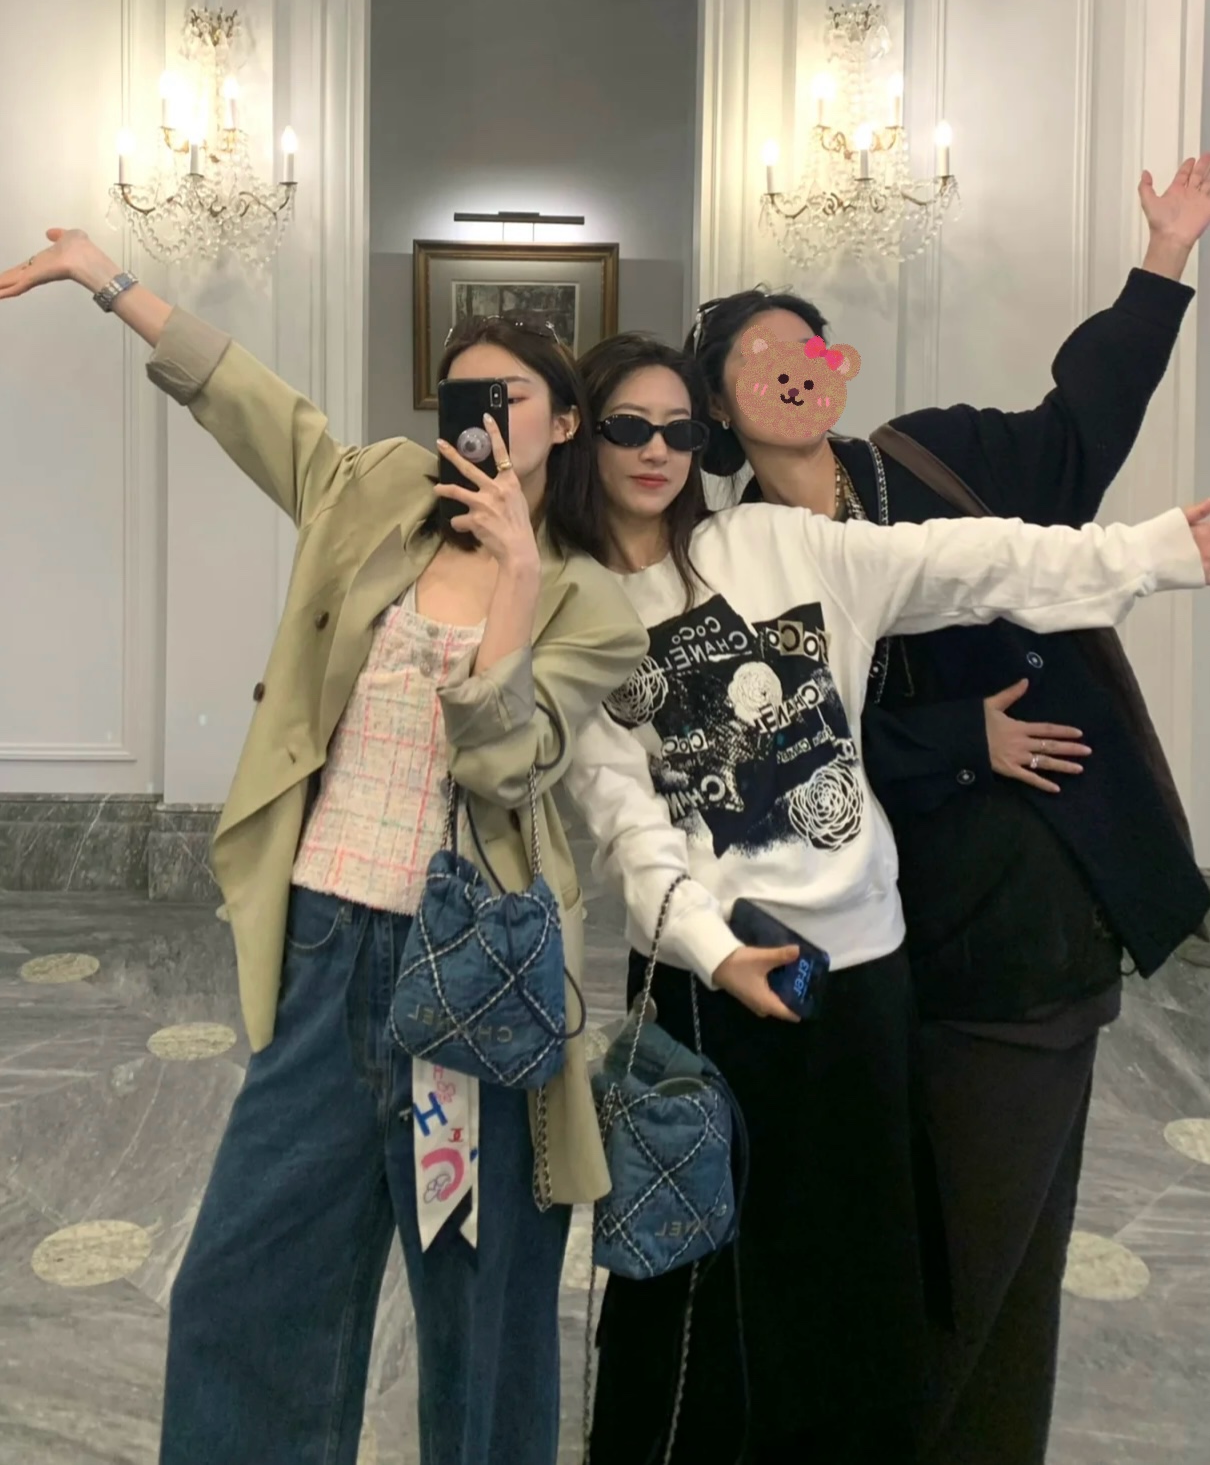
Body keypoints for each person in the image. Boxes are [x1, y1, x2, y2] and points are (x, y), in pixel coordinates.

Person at [0, 226, 648, 1465]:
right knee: (244, 1284)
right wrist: (106, 280)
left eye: (513, 395)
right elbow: (252, 404)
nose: (484, 414)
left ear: (565, 422)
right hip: (327, 949)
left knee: (480, 1308)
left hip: (471, 975)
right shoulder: (377, 495)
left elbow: (502, 764)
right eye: (464, 393)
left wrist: (516, 580)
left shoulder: (591, 603)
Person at [565, 327, 1210, 1465]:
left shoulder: (770, 542)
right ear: (590, 441)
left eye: (677, 428)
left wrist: (1150, 551)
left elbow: (969, 560)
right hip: (719, 981)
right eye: (629, 426)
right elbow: (624, 817)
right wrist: (715, 949)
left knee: (860, 1266)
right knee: (708, 1266)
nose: (656, 449)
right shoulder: (580, 612)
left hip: (865, 969)